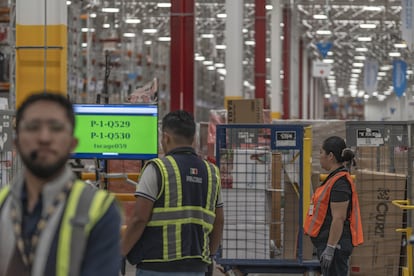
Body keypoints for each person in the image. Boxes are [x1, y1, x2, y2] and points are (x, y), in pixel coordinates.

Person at [0, 92, 122, 276]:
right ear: (16, 142)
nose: (44, 137)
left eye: (56, 128)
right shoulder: (3, 204)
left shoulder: (98, 210)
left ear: (73, 143)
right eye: (33, 127)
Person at [122, 110, 224, 276]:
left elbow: (139, 219)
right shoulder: (212, 172)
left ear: (165, 137)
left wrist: (119, 252)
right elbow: (219, 221)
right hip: (197, 266)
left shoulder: (156, 169)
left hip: (155, 266)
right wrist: (209, 256)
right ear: (194, 138)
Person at [304, 136, 363, 276]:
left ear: (330, 156)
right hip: (331, 244)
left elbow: (339, 218)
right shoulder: (334, 178)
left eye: (321, 152)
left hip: (336, 245)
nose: (320, 157)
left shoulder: (340, 183)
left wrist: (330, 248)